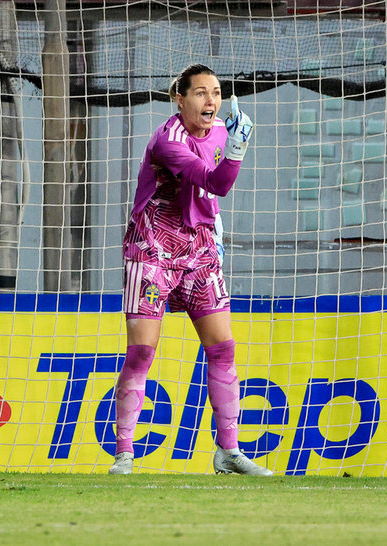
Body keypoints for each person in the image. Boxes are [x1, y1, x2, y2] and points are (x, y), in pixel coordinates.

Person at [108, 64, 271, 476]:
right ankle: (125, 454)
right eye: (200, 93)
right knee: (142, 351)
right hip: (152, 249)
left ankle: (228, 451)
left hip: (200, 250)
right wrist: (237, 149)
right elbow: (216, 183)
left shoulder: (219, 130)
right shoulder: (168, 141)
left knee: (223, 347)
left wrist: (215, 229)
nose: (211, 101)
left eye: (216, 92)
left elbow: (211, 197)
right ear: (179, 98)